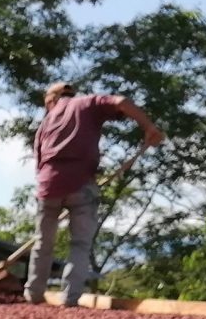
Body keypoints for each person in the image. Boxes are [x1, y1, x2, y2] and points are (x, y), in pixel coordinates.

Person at [25, 82, 163, 307]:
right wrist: (149, 127)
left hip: (48, 186)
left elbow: (39, 163)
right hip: (81, 185)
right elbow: (121, 102)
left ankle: (33, 295)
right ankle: (70, 299)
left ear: (51, 100)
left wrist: (52, 187)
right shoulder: (86, 103)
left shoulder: (45, 124)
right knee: (79, 244)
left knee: (43, 243)